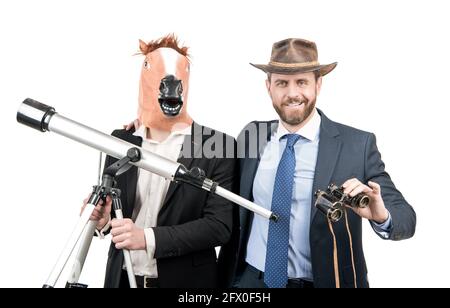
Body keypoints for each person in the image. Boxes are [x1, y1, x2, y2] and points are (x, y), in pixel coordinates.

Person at [220, 38, 416, 288]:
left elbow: (406, 218)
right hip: (252, 281)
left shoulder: (357, 145)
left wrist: (381, 215)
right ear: (268, 86)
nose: (292, 94)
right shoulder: (251, 135)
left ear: (318, 84)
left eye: (302, 82)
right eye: (282, 83)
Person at [81, 34, 236, 288]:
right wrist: (103, 221)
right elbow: (115, 216)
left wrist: (147, 238)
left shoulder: (219, 147)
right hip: (121, 279)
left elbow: (219, 227)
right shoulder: (121, 141)